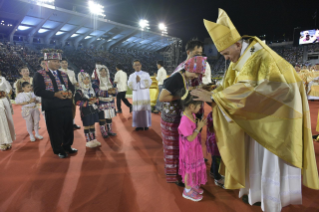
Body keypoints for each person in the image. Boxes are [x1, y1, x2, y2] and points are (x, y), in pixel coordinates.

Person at [191, 8, 319, 211]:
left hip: (276, 118)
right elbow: (235, 86)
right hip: (258, 115)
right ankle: (255, 192)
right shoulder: (241, 58)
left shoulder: (260, 57)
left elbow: (262, 91)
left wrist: (215, 97)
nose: (225, 58)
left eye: (226, 53)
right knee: (253, 154)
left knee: (267, 156)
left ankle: (272, 198)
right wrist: (215, 92)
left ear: (236, 43)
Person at [159, 56, 207, 186]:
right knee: (172, 149)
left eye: (199, 74)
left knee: (179, 147)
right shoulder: (176, 78)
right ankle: (173, 177)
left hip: (176, 118)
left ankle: (179, 174)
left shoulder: (185, 77)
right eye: (195, 72)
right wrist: (184, 95)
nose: (196, 76)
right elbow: (162, 97)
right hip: (170, 119)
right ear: (187, 68)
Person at [33, 49, 76, 159]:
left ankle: (67, 146)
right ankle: (58, 149)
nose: (58, 63)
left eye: (58, 61)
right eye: (55, 61)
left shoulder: (63, 74)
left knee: (68, 128)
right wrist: (55, 94)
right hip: (52, 107)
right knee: (55, 129)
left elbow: (71, 86)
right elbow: (38, 91)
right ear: (47, 62)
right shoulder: (40, 74)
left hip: (66, 105)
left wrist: (71, 92)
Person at [178, 92, 207, 202]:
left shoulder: (192, 115)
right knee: (189, 170)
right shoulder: (184, 120)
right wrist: (198, 128)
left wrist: (200, 125)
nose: (200, 108)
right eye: (199, 105)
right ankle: (187, 190)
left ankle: (192, 183)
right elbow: (189, 138)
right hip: (188, 150)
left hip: (194, 148)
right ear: (191, 106)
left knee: (193, 168)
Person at [75, 72, 101, 148]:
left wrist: (96, 100)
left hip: (93, 110)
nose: (86, 80)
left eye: (87, 79)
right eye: (84, 79)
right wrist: (87, 103)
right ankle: (88, 140)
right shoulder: (79, 91)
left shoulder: (91, 88)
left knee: (92, 125)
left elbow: (96, 97)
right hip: (85, 111)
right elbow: (76, 101)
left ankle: (94, 139)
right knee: (87, 126)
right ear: (80, 80)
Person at [92, 65, 117, 138]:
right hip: (102, 102)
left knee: (109, 116)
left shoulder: (111, 80)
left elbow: (115, 89)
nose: (103, 72)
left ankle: (110, 130)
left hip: (110, 101)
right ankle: (103, 131)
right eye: (101, 71)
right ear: (99, 72)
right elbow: (96, 92)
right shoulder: (96, 81)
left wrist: (114, 92)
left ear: (107, 72)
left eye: (105, 71)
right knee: (102, 117)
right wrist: (107, 92)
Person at [128, 60, 152, 131]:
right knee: (137, 110)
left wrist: (140, 80)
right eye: (136, 65)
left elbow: (149, 83)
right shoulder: (131, 75)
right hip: (136, 94)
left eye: (138, 64)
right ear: (133, 66)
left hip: (144, 94)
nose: (137, 66)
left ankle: (146, 124)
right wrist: (136, 81)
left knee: (144, 110)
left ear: (141, 65)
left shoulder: (146, 74)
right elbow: (130, 85)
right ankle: (138, 125)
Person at [60, 58, 81, 130]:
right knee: (63, 110)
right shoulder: (58, 72)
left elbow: (75, 82)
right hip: (62, 94)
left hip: (72, 93)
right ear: (60, 64)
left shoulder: (72, 72)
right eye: (62, 63)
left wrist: (80, 84)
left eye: (65, 63)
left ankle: (73, 123)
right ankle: (65, 125)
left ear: (67, 64)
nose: (64, 64)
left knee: (73, 109)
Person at [205, 111, 224, 188]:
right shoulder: (215, 114)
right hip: (216, 143)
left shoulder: (212, 113)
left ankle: (213, 172)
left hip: (214, 142)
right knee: (217, 161)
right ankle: (217, 178)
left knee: (214, 159)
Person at [0, 71, 15, 151]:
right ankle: (1, 142)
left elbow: (9, 90)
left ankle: (7, 140)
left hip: (4, 101)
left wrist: (5, 93)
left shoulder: (3, 79)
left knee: (7, 120)